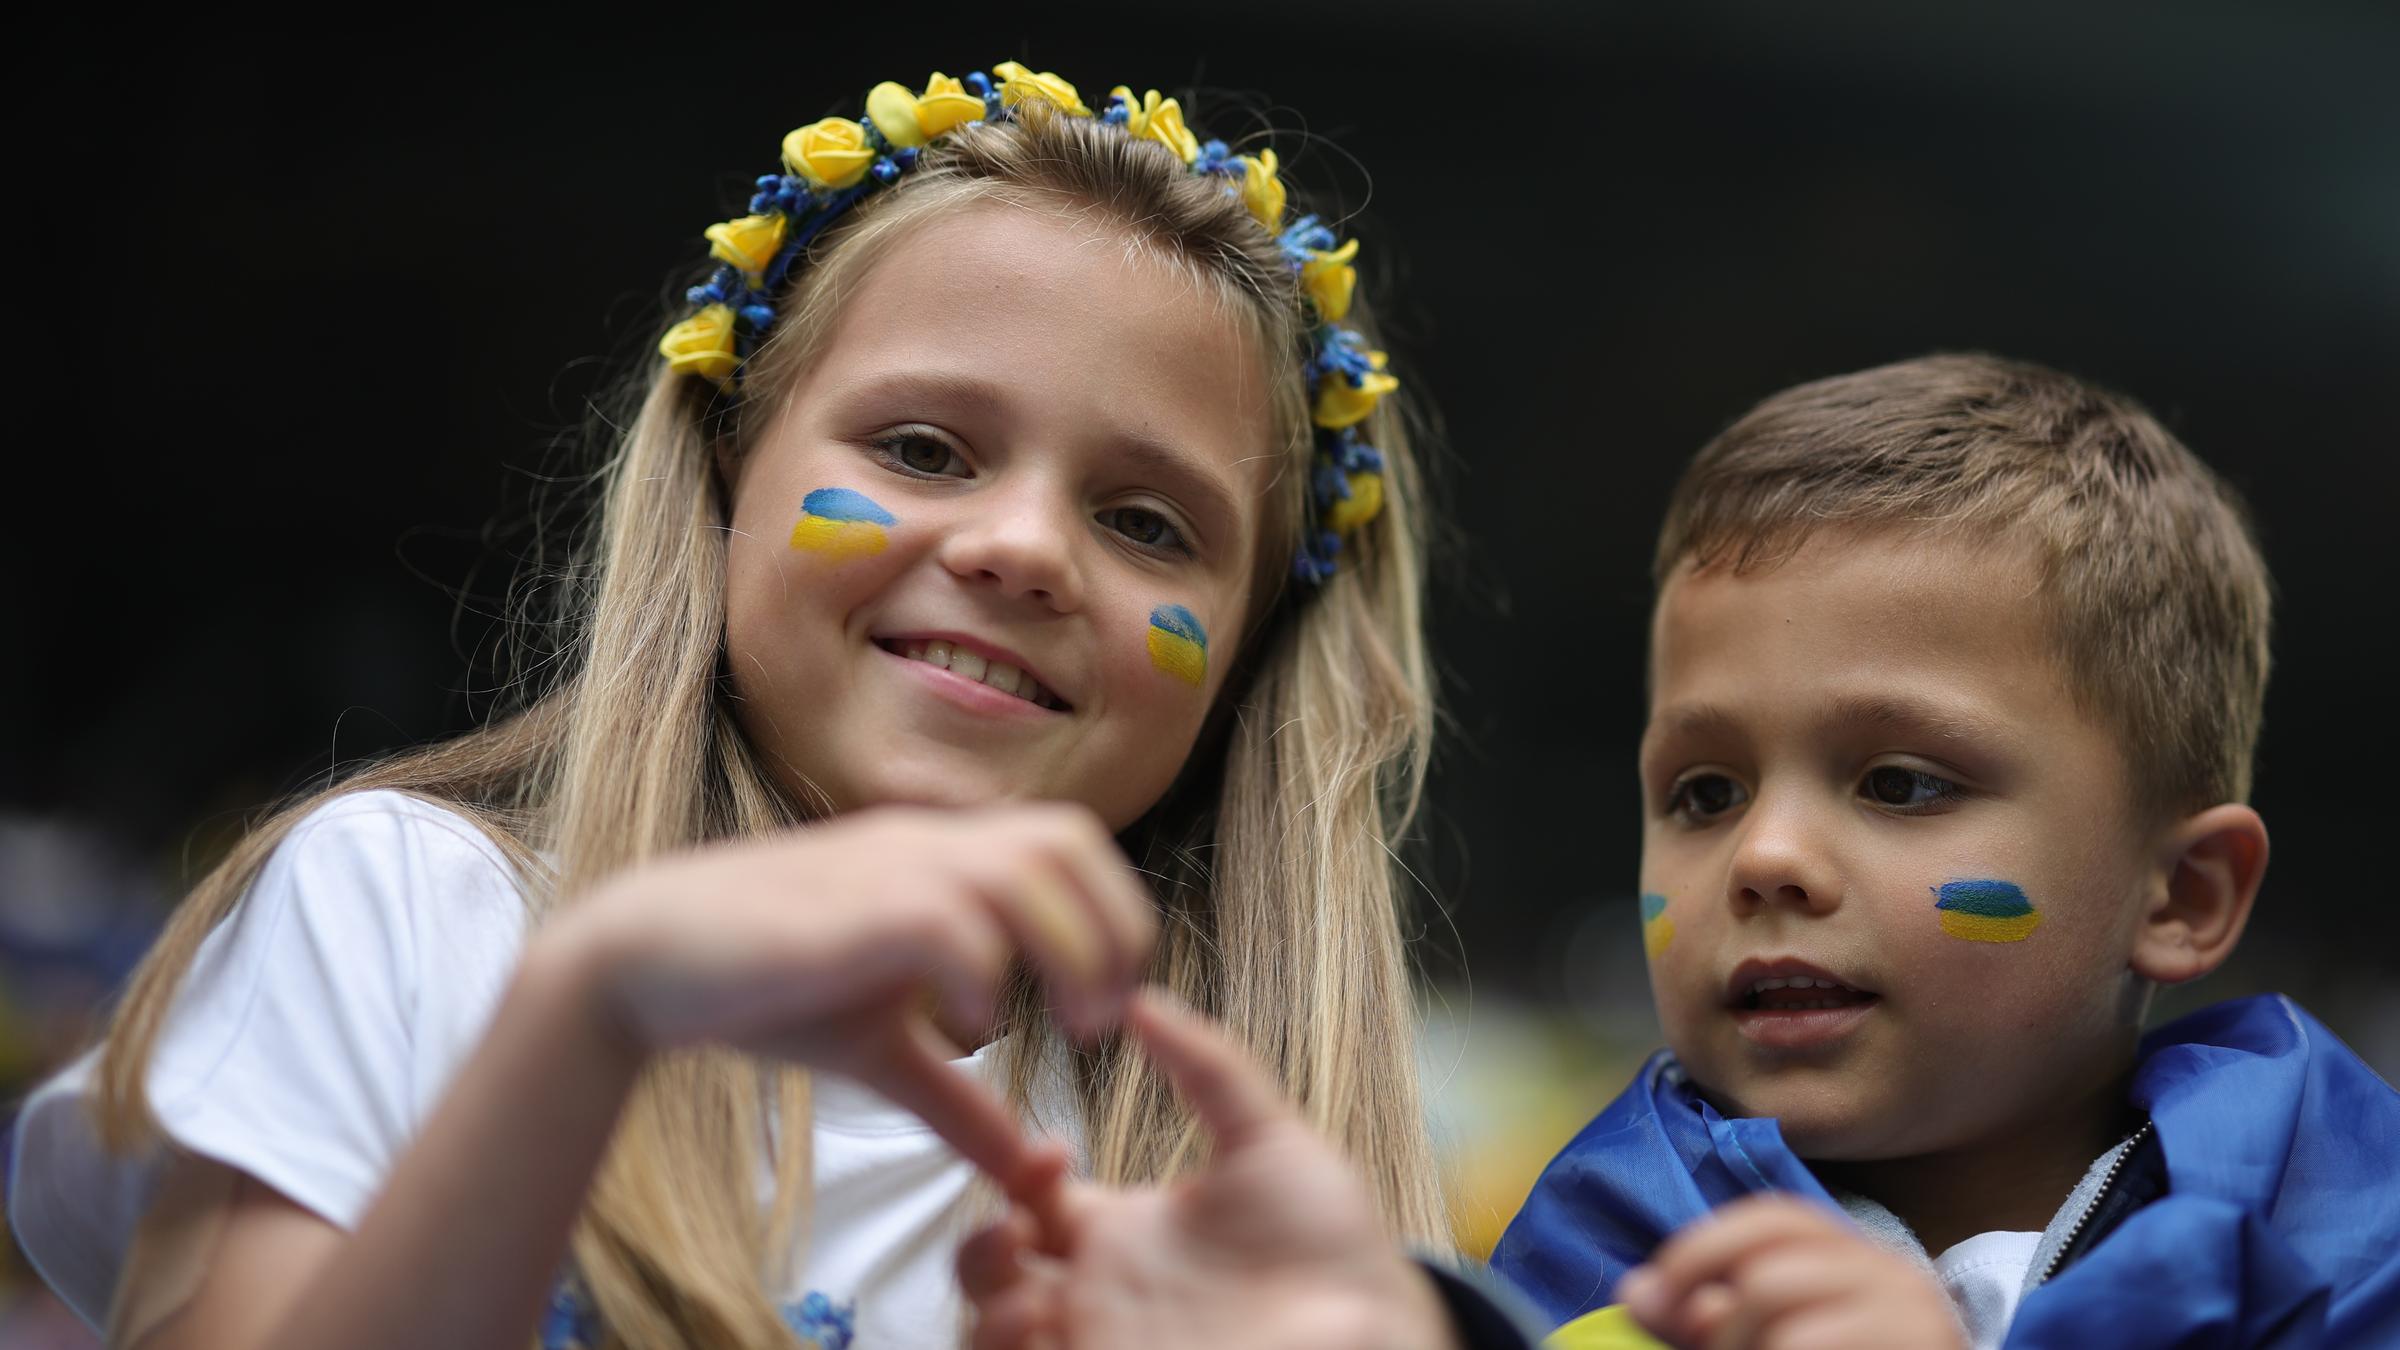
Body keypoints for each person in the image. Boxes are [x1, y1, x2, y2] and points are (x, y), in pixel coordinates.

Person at [7, 63, 1455, 1350]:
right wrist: (583, 1020)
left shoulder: (1245, 1186)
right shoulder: (406, 914)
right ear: (721, 481)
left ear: (1250, 665)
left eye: (1147, 523)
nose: (1020, 545)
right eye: (923, 445)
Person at [1486, 354, 2400, 1348]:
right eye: (1706, 794)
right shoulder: (1588, 1272)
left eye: (1901, 784)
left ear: (2182, 894)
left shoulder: (2344, 1251)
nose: (1765, 856)